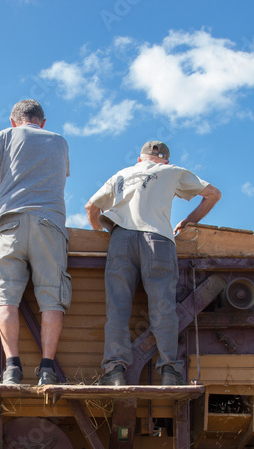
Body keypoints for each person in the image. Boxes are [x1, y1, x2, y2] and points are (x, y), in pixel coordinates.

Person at [0, 99, 71, 386]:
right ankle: (46, 369)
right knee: (52, 297)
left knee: (6, 296)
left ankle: (12, 368)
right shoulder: (60, 142)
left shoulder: (7, 136)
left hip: (11, 225)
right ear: (42, 122)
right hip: (50, 224)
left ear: (12, 120)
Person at [85, 141, 221, 386]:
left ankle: (115, 372)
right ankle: (169, 371)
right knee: (162, 307)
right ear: (165, 161)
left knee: (118, 309)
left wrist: (100, 234)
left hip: (120, 240)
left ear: (140, 160)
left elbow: (91, 207)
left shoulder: (121, 175)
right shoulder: (173, 171)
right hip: (158, 239)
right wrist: (189, 220)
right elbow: (213, 194)